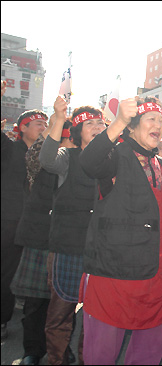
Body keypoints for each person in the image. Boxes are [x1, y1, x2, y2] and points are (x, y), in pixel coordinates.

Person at [79, 96, 162, 364]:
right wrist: (118, 122)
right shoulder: (115, 155)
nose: (159, 124)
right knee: (101, 350)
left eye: (161, 120)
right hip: (116, 274)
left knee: (149, 349)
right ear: (133, 127)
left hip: (156, 277)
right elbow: (89, 162)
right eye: (151, 119)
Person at [39, 97, 106, 365]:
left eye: (100, 122)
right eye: (89, 123)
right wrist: (57, 117)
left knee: (95, 316)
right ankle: (57, 360)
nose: (96, 126)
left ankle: (86, 359)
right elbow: (46, 160)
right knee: (60, 314)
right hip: (67, 246)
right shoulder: (68, 157)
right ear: (78, 132)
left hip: (101, 250)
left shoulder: (114, 160)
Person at [10, 118, 74, 365]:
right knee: (35, 303)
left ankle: (61, 348)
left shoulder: (83, 161)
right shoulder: (42, 161)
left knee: (65, 302)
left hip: (68, 239)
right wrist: (57, 117)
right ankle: (32, 351)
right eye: (63, 139)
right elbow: (38, 151)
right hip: (40, 237)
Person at [2, 78, 48, 341]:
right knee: (5, 272)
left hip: (36, 226)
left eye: (45, 123)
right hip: (8, 223)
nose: (43, 127)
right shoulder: (8, 150)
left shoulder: (50, 155)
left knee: (30, 279)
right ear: (22, 128)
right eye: (38, 124)